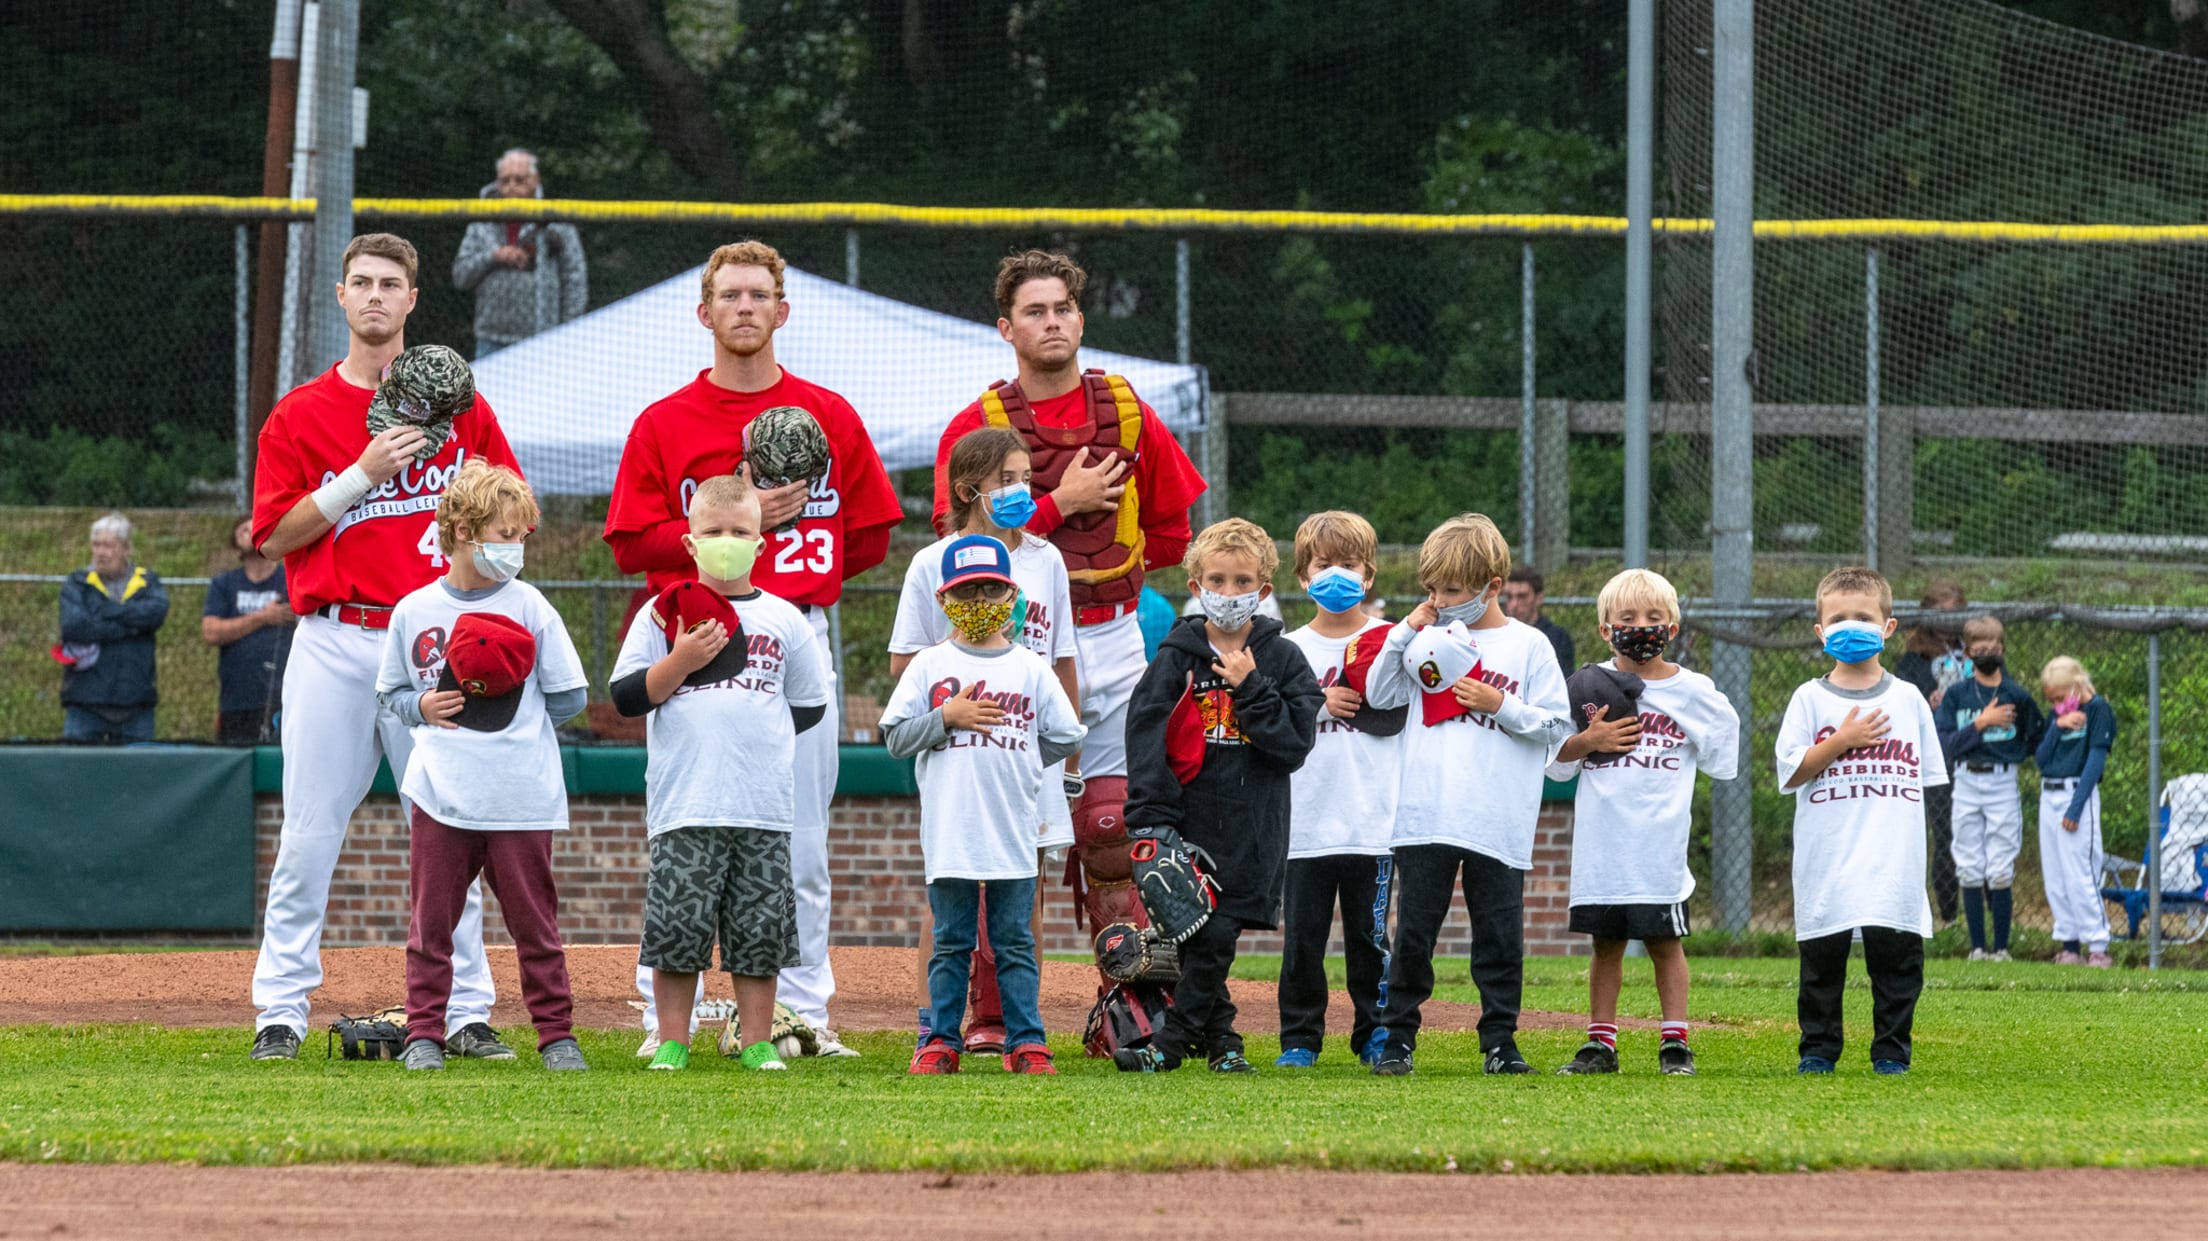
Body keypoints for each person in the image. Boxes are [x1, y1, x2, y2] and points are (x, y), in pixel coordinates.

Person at [604, 239, 902, 1057]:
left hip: (794, 630)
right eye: (729, 295)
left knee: (800, 837)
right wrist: (731, 531)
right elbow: (630, 543)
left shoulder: (828, 414)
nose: (744, 307)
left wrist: (797, 566)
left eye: (758, 294)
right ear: (705, 313)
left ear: (781, 310)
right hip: (692, 637)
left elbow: (870, 533)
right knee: (681, 835)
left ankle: (800, 1010)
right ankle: (667, 1017)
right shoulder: (666, 421)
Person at [247, 232, 522, 1063]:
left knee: (449, 827)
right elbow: (272, 537)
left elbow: (513, 514)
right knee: (308, 831)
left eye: (390, 283)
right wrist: (360, 472)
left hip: (432, 637)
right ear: (340, 297)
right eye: (360, 281)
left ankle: (466, 1009)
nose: (374, 295)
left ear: (411, 300)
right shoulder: (301, 413)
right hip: (335, 637)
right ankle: (280, 1010)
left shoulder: (462, 404)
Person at [931, 249, 1207, 993]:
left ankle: (1125, 999)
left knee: (1110, 827)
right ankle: (993, 1009)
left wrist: (1130, 585)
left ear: (1080, 319)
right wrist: (1062, 502)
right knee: (1003, 831)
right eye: (1034, 311)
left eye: (1062, 309)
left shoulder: (1126, 408)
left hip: (1115, 630)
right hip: (1008, 635)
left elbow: (1175, 527)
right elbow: (953, 546)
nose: (1051, 322)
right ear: (1005, 328)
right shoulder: (979, 425)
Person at [609, 474, 832, 1071]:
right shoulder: (663, 616)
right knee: (678, 931)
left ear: (762, 544)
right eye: (713, 532)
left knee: (759, 936)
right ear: (690, 542)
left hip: (761, 805)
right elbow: (628, 697)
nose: (726, 542)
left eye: (740, 532)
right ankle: (674, 1040)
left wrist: (756, 738)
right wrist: (681, 660)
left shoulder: (785, 619)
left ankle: (757, 1041)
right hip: (687, 803)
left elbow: (807, 705)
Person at [374, 460, 590, 1071]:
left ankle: (556, 1035)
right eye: (506, 533)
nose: (517, 547)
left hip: (520, 793)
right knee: (431, 923)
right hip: (441, 793)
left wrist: (506, 694)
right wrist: (420, 705)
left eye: (523, 534)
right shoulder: (415, 609)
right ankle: (424, 1034)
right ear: (465, 531)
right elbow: (389, 694)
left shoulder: (530, 606)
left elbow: (570, 697)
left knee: (535, 924)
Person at [1361, 513, 1573, 1078]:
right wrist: (1405, 630)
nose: (1440, 599)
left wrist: (1498, 704)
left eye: (1451, 590)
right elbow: (1380, 696)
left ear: (1492, 586)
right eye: (1431, 588)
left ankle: (1500, 1041)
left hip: (1497, 816)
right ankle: (1397, 1039)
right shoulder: (1423, 637)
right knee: (1413, 935)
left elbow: (1558, 727)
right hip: (1425, 814)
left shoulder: (1530, 646)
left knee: (1499, 938)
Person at [890, 428, 1079, 1054]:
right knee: (948, 896)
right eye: (1006, 480)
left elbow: (1062, 658)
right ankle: (933, 1022)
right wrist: (953, 704)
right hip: (958, 752)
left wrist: (1064, 753)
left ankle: (1005, 1023)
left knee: (1024, 896)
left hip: (1025, 748)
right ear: (970, 488)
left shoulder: (1045, 559)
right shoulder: (932, 560)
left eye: (1026, 477)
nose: (1021, 490)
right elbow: (905, 665)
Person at [1113, 518, 1323, 1074]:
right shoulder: (1175, 659)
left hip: (1254, 828)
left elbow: (1293, 746)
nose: (1229, 593)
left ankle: (1173, 1042)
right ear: (1195, 583)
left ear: (1263, 590)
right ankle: (1220, 1042)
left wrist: (1251, 687)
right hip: (1188, 824)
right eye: (1217, 580)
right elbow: (1146, 740)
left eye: (1241, 581)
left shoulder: (1283, 661)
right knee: (1197, 936)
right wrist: (1151, 820)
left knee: (1217, 936)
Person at [1549, 569, 1740, 1078]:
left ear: (1673, 627)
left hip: (1660, 846)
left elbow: (1724, 754)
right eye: (1628, 618)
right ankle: (1599, 1044)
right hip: (1603, 845)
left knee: (1664, 943)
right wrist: (1588, 741)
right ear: (1605, 628)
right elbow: (1557, 761)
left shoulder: (1694, 690)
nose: (1642, 627)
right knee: (1605, 944)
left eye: (1655, 618)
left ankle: (1675, 1041)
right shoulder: (1586, 685)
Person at [1776, 565, 1945, 1075]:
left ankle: (1891, 1052)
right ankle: (1818, 1051)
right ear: (1820, 631)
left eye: (1865, 617)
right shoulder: (1809, 698)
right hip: (1827, 855)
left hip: (1892, 856)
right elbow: (1791, 771)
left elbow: (1926, 780)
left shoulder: (1908, 699)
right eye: (1840, 617)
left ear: (1888, 628)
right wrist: (1840, 742)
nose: (1853, 626)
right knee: (1821, 961)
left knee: (1896, 959)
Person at [1274, 511, 1405, 1069]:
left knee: (1370, 940)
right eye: (1323, 566)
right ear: (1303, 577)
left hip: (1372, 822)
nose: (1336, 576)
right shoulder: (1284, 649)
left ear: (1369, 574)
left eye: (1348, 565)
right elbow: (1267, 722)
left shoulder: (1392, 643)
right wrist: (1314, 702)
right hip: (1303, 823)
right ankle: (1299, 1039)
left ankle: (1375, 1033)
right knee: (1302, 943)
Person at [1934, 615, 2046, 962]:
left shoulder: (2016, 693)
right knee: (1968, 862)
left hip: (2002, 780)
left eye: (1994, 649)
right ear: (1967, 654)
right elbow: (1945, 744)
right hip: (1966, 780)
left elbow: (2036, 736)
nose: (1988, 654)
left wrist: (2011, 755)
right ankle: (1976, 948)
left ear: (2003, 650)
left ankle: (2001, 949)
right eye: (1980, 650)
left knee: (1999, 865)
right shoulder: (1956, 695)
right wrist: (1981, 724)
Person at [451, 148, 587, 358]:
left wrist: (568, 332)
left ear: (536, 180)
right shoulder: (482, 221)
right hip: (491, 338)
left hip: (545, 339)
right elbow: (461, 275)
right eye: (505, 180)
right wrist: (493, 256)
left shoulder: (557, 222)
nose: (512, 186)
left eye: (519, 180)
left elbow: (575, 281)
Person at [57, 512, 168, 743]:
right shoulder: (78, 583)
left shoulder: (148, 582)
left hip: (136, 704)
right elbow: (74, 627)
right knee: (77, 774)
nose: (100, 552)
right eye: (96, 545)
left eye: (108, 545)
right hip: (85, 703)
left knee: (137, 776)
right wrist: (129, 629)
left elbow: (155, 614)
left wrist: (107, 611)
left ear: (127, 549)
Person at [1894, 580, 1969, 922]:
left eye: (1953, 614)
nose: (1946, 621)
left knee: (1975, 840)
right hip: (1937, 756)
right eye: (1939, 614)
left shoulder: (1976, 649)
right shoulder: (1915, 657)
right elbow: (1899, 698)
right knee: (1945, 835)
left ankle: (1981, 918)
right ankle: (1949, 915)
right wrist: (1928, 699)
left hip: (1973, 751)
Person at [2035, 656, 2116, 967]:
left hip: (2076, 795)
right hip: (2049, 794)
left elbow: (2095, 761)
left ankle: (2098, 945)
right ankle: (2070, 944)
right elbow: (2041, 759)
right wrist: (2057, 725)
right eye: (2052, 699)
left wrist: (2076, 807)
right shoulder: (2057, 716)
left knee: (2080, 872)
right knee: (2055, 874)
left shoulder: (2098, 711)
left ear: (2078, 685)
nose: (2057, 703)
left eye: (2061, 697)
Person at [202, 515, 294, 744]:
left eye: (256, 525)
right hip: (237, 699)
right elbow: (211, 631)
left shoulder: (291, 579)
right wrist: (264, 617)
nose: (251, 531)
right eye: (243, 529)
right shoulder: (224, 584)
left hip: (285, 695)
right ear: (235, 542)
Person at [1503, 567, 1574, 675]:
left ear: (1538, 598)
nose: (1514, 605)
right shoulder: (1498, 634)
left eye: (1522, 596)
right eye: (1509, 596)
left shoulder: (1557, 638)